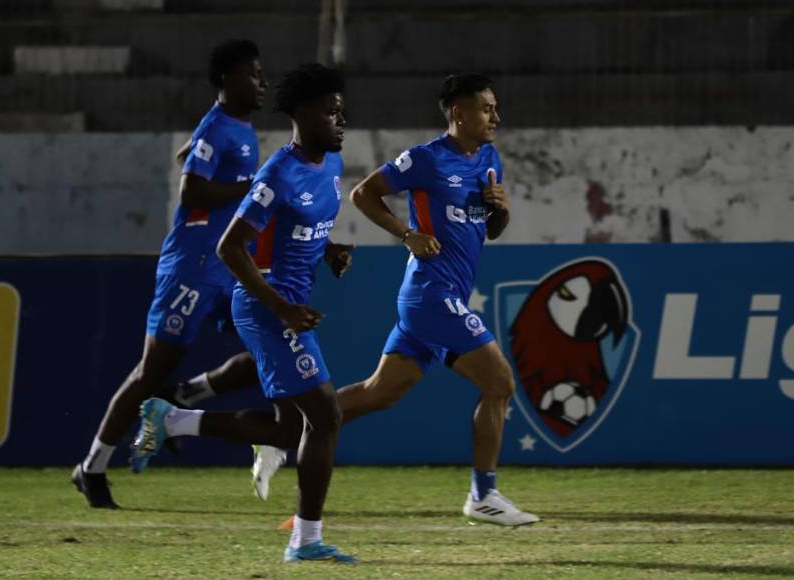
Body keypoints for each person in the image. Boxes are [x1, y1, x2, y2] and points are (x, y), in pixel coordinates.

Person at [257, 72, 539, 527]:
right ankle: (483, 495)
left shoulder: (488, 159)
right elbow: (363, 193)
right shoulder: (427, 159)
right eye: (486, 108)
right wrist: (407, 234)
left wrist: (500, 211)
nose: (495, 117)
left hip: (440, 297)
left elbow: (489, 229)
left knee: (378, 393)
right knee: (499, 383)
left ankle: (281, 433)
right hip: (432, 294)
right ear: (457, 113)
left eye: (495, 108)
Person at [131, 62, 357, 564]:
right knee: (326, 414)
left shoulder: (332, 166)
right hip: (264, 304)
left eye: (343, 113)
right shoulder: (278, 171)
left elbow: (298, 228)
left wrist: (330, 249)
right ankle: (305, 541)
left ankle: (174, 419)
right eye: (331, 112)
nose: (341, 122)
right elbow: (233, 248)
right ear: (301, 112)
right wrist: (281, 306)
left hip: (285, 305)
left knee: (288, 431)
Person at [72, 39, 267, 509]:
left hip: (226, 265)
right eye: (252, 74)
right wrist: (251, 188)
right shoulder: (217, 127)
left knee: (268, 351)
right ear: (226, 80)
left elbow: (189, 157)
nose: (262, 82)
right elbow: (191, 193)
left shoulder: (237, 129)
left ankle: (182, 395)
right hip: (192, 267)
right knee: (149, 371)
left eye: (263, 74)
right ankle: (92, 467)